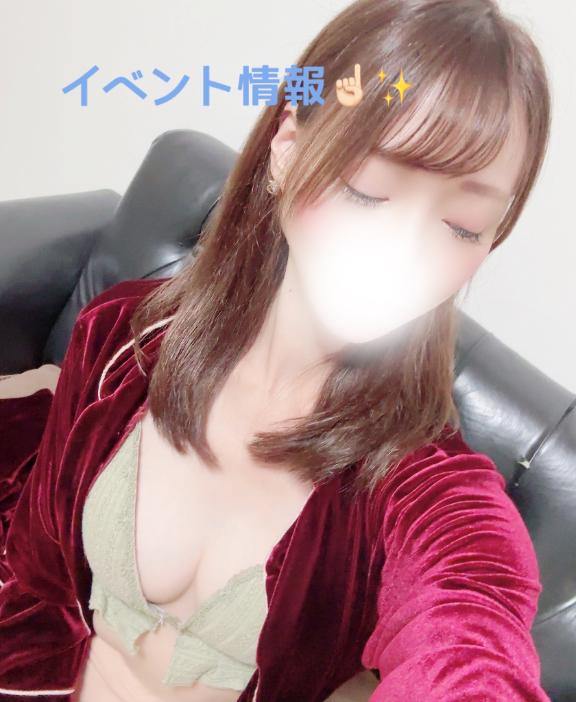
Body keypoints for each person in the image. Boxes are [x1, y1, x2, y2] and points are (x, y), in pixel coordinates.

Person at [0, 0, 553, 700]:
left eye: (464, 226)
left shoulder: (428, 495)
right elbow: (37, 575)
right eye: (369, 189)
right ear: (288, 148)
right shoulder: (123, 337)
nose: (407, 251)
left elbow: (470, 635)